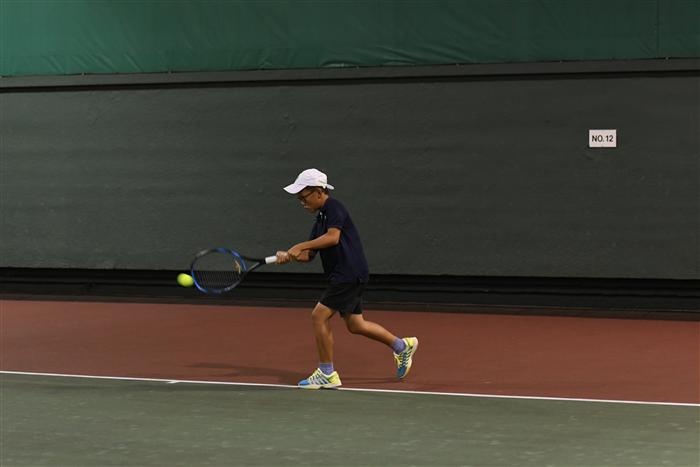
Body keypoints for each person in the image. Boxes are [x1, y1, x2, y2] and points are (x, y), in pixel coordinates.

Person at [276, 168, 418, 389]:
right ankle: (401, 346)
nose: (301, 202)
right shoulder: (320, 220)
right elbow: (309, 255)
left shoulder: (334, 207)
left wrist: (300, 245)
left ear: (319, 192)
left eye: (303, 197)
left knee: (319, 316)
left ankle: (327, 373)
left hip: (348, 274)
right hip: (348, 275)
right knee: (355, 324)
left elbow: (333, 238)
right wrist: (290, 256)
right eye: (299, 199)